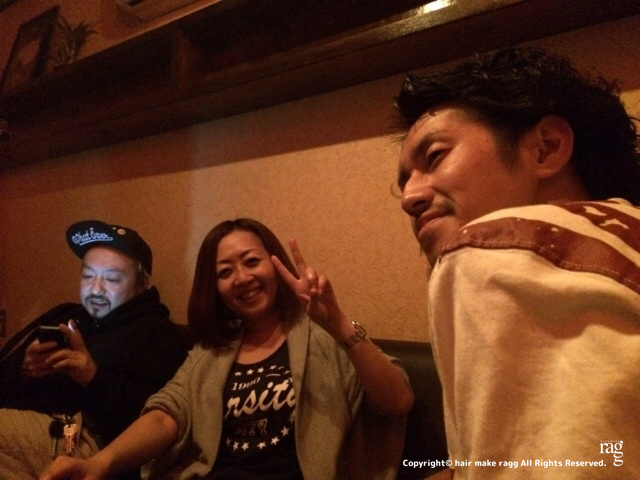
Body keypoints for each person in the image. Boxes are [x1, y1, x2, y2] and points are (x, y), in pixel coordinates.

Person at [394, 45, 640, 479]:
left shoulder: (487, 251)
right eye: (404, 181)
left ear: (546, 148)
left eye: (434, 156)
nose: (409, 197)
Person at [40, 218, 414, 480]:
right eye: (225, 272)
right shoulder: (212, 352)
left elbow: (398, 401)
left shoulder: (322, 335)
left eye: (251, 262)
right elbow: (166, 415)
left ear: (275, 265)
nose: (242, 278)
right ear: (215, 288)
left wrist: (339, 324)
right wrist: (100, 464)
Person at [0, 220, 192, 480]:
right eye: (88, 276)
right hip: (28, 424)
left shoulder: (157, 334)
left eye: (112, 279)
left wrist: (92, 377)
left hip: (85, 440)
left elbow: (157, 422)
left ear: (142, 284)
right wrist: (23, 369)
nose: (96, 289)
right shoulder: (66, 316)